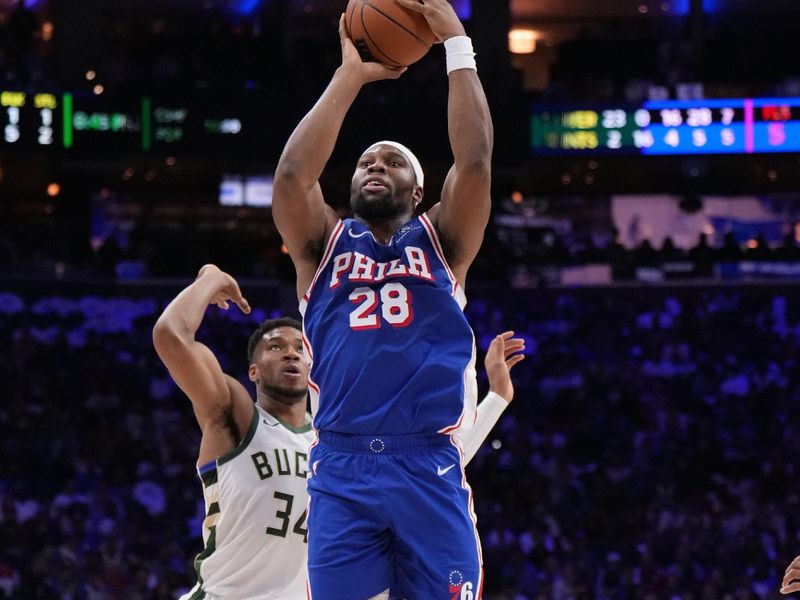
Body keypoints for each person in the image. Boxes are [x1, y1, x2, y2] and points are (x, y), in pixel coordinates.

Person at [272, 0, 493, 596]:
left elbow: (473, 162)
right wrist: (348, 77)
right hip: (341, 469)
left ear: (418, 191)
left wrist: (456, 45)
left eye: (392, 162)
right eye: (367, 160)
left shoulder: (444, 239)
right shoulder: (321, 243)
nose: (375, 165)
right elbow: (293, 177)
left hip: (429, 464)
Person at [153, 265, 523, 599]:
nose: (291, 354)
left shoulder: (339, 441)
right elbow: (171, 336)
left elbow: (437, 459)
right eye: (276, 346)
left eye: (301, 347)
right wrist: (211, 278)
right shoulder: (237, 416)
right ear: (253, 371)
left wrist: (497, 398)